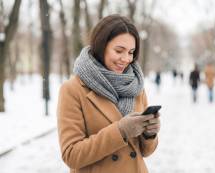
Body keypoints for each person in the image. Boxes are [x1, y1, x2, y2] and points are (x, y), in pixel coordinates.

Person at [57, 14, 160, 173]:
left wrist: (149, 134)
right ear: (101, 46)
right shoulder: (72, 90)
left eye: (131, 52)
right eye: (119, 50)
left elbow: (145, 151)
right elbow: (71, 154)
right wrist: (120, 131)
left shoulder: (135, 85)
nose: (126, 59)